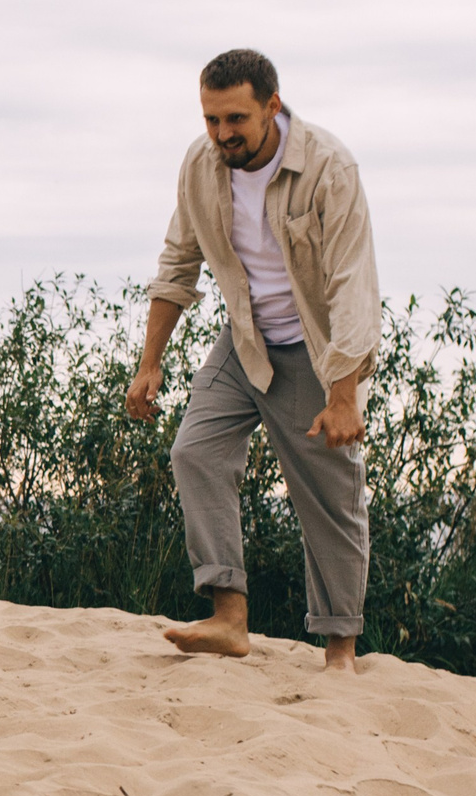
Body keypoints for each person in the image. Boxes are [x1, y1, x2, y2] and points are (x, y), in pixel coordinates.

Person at [126, 47, 380, 673]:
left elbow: (353, 286)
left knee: (327, 494)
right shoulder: (201, 164)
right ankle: (229, 617)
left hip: (316, 352)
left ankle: (340, 650)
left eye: (235, 119)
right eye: (211, 119)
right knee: (195, 451)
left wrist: (343, 393)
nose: (221, 134)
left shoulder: (329, 168)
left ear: (272, 106)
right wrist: (149, 361)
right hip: (245, 342)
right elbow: (177, 263)